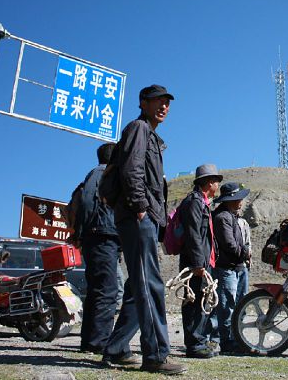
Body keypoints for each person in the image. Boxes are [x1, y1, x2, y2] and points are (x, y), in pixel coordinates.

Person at [101, 85, 186, 375]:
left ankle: (116, 348)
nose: (163, 107)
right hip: (138, 217)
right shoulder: (139, 129)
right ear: (143, 103)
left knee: (138, 288)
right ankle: (156, 355)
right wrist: (140, 207)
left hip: (142, 218)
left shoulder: (150, 134)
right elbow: (131, 170)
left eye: (166, 103)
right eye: (156, 101)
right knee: (150, 285)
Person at [75, 143, 121, 354]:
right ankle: (99, 342)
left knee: (97, 290)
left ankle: (89, 341)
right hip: (102, 235)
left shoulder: (93, 174)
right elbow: (86, 203)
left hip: (96, 236)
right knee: (107, 290)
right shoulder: (103, 174)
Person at [178, 164, 222, 358]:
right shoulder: (194, 202)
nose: (218, 185)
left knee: (203, 300)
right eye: (217, 182)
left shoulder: (201, 202)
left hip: (203, 262)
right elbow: (193, 234)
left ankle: (201, 341)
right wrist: (197, 263)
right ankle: (195, 345)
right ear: (210, 182)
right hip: (196, 264)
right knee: (194, 302)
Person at [208, 181, 250, 353]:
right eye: (238, 199)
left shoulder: (229, 216)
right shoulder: (222, 217)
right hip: (227, 268)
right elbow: (230, 245)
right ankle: (227, 341)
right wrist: (245, 252)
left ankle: (233, 338)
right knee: (227, 306)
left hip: (236, 267)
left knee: (237, 304)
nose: (241, 202)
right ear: (230, 200)